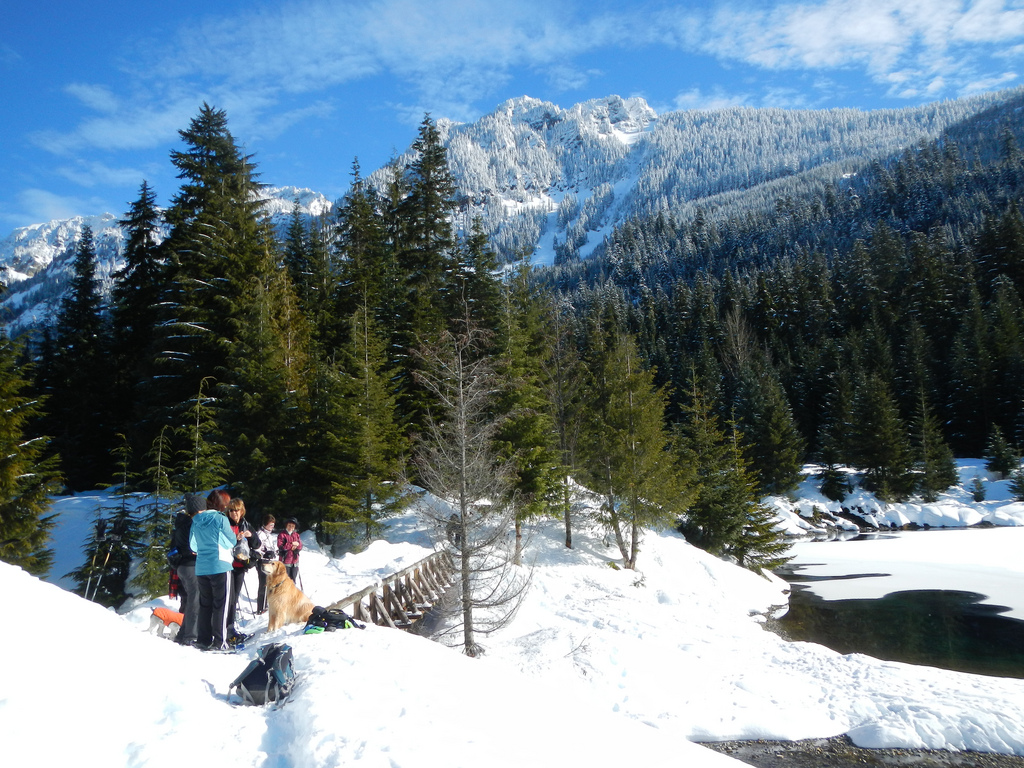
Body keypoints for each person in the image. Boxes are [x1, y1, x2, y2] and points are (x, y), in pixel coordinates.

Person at [189, 489, 236, 650]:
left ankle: (203, 640)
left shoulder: (195, 520)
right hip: (220, 565)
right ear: (222, 505)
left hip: (202, 567)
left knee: (205, 605)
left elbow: (192, 545)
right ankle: (220, 642)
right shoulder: (220, 519)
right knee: (221, 606)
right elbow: (231, 541)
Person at [171, 493, 204, 647]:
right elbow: (191, 548)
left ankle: (182, 634)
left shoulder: (182, 524)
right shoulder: (191, 526)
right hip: (190, 565)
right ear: (196, 511)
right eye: (202, 511)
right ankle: (191, 636)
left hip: (183, 567)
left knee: (191, 600)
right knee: (195, 599)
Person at [225, 498, 255, 643]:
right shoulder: (226, 523)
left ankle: (230, 628)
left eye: (236, 510)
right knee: (227, 598)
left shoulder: (246, 524)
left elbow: (257, 544)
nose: (234, 513)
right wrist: (235, 539)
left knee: (234, 598)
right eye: (231, 510)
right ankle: (227, 628)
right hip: (227, 567)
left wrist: (251, 535)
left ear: (241, 511)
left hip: (240, 567)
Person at [252, 513, 278, 614]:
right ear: (266, 524)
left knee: (269, 584)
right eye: (271, 525)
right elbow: (257, 548)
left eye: (273, 525)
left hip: (269, 562)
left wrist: (274, 553)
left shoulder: (269, 535)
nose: (272, 527)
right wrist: (265, 553)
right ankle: (260, 608)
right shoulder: (260, 534)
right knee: (263, 584)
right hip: (262, 562)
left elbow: (271, 547)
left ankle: (266, 605)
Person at [277, 518, 302, 584]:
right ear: (286, 525)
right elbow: (281, 546)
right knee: (284, 581)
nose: (291, 527)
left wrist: (297, 546)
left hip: (294, 561)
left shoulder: (296, 535)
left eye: (293, 526)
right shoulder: (282, 535)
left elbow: (300, 546)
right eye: (289, 525)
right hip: (285, 560)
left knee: (293, 580)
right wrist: (292, 544)